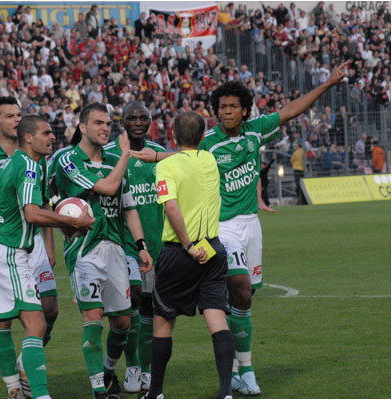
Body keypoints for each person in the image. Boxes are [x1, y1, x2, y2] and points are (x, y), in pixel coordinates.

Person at [133, 62, 349, 395]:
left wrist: (329, 83)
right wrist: (156, 157)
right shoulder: (209, 142)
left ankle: (240, 369)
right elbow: (182, 154)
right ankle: (239, 372)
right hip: (223, 227)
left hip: (251, 225)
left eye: (233, 106)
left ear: (245, 109)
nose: (227, 112)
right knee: (240, 288)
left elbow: (291, 110)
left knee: (244, 301)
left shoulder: (256, 131)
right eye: (222, 107)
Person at [0, 115, 94, 400]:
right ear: (28, 138)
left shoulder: (13, 164)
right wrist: (71, 221)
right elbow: (32, 213)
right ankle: (41, 395)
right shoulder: (28, 167)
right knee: (36, 324)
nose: (52, 137)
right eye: (46, 133)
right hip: (10, 253)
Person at [0, 97, 60, 398]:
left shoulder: (37, 155)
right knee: (0, 319)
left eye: (19, 115)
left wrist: (49, 247)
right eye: (8, 116)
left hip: (33, 241)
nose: (16, 119)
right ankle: (14, 386)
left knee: (49, 309)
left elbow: (42, 202)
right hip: (1, 242)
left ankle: (24, 362)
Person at [54, 103, 153, 398]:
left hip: (116, 249)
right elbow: (108, 188)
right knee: (93, 318)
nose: (105, 128)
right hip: (84, 250)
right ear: (82, 127)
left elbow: (128, 208)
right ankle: (99, 389)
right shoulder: (69, 161)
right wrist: (125, 155)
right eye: (98, 122)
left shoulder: (112, 161)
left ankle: (108, 370)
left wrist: (141, 245)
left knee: (122, 322)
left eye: (108, 123)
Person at [143, 111, 233, 399]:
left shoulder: (166, 167)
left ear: (172, 136)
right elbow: (189, 156)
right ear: (203, 137)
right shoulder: (210, 159)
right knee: (217, 320)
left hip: (180, 251)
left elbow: (171, 207)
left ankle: (155, 392)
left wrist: (187, 246)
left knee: (163, 322)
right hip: (213, 249)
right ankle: (226, 391)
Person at [104, 102, 165, 393]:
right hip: (124, 244)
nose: (138, 122)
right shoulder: (109, 154)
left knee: (151, 308)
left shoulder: (158, 153)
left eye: (143, 117)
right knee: (133, 301)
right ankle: (133, 365)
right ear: (122, 121)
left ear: (150, 121)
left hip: (156, 244)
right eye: (132, 118)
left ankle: (147, 369)